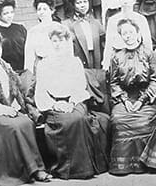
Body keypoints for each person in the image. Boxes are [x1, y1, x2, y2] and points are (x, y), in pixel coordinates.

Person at [0, 32, 51, 185]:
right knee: (13, 126)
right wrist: (5, 111)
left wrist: (13, 108)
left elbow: (11, 93)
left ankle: (35, 168)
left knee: (25, 122)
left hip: (5, 108)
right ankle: (27, 170)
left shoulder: (5, 67)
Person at [35, 24, 109, 179]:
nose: (58, 44)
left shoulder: (74, 62)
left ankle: (84, 167)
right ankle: (66, 168)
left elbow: (79, 86)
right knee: (67, 122)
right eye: (54, 41)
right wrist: (55, 104)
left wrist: (71, 102)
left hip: (75, 100)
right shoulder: (43, 64)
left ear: (67, 42)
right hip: (52, 103)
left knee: (79, 119)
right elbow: (41, 91)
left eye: (61, 41)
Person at [109, 19, 156, 175]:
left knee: (145, 121)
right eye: (124, 33)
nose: (128, 36)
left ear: (138, 33)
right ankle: (123, 166)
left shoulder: (150, 54)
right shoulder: (116, 56)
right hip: (124, 98)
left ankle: (145, 164)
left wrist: (141, 101)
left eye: (131, 32)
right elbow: (113, 82)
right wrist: (124, 100)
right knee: (118, 120)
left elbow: (154, 80)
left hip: (146, 97)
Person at [103, 0, 152, 70]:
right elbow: (109, 44)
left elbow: (147, 42)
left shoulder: (141, 19)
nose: (125, 1)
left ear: (134, 1)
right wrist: (106, 64)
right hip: (119, 58)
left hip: (137, 57)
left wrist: (148, 61)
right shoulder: (113, 20)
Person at [63, 0, 105, 69]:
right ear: (73, 5)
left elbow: (103, 43)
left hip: (95, 60)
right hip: (79, 61)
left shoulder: (96, 23)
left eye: (85, 2)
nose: (83, 5)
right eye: (78, 3)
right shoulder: (68, 24)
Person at [24, 0, 61, 74]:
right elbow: (29, 57)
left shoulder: (61, 28)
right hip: (42, 68)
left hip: (59, 67)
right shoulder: (33, 32)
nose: (42, 12)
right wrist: (29, 75)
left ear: (52, 11)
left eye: (45, 9)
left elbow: (68, 51)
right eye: (39, 9)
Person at [0, 0, 27, 73]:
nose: (10, 16)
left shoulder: (20, 28)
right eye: (6, 13)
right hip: (6, 73)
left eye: (11, 12)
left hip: (24, 71)